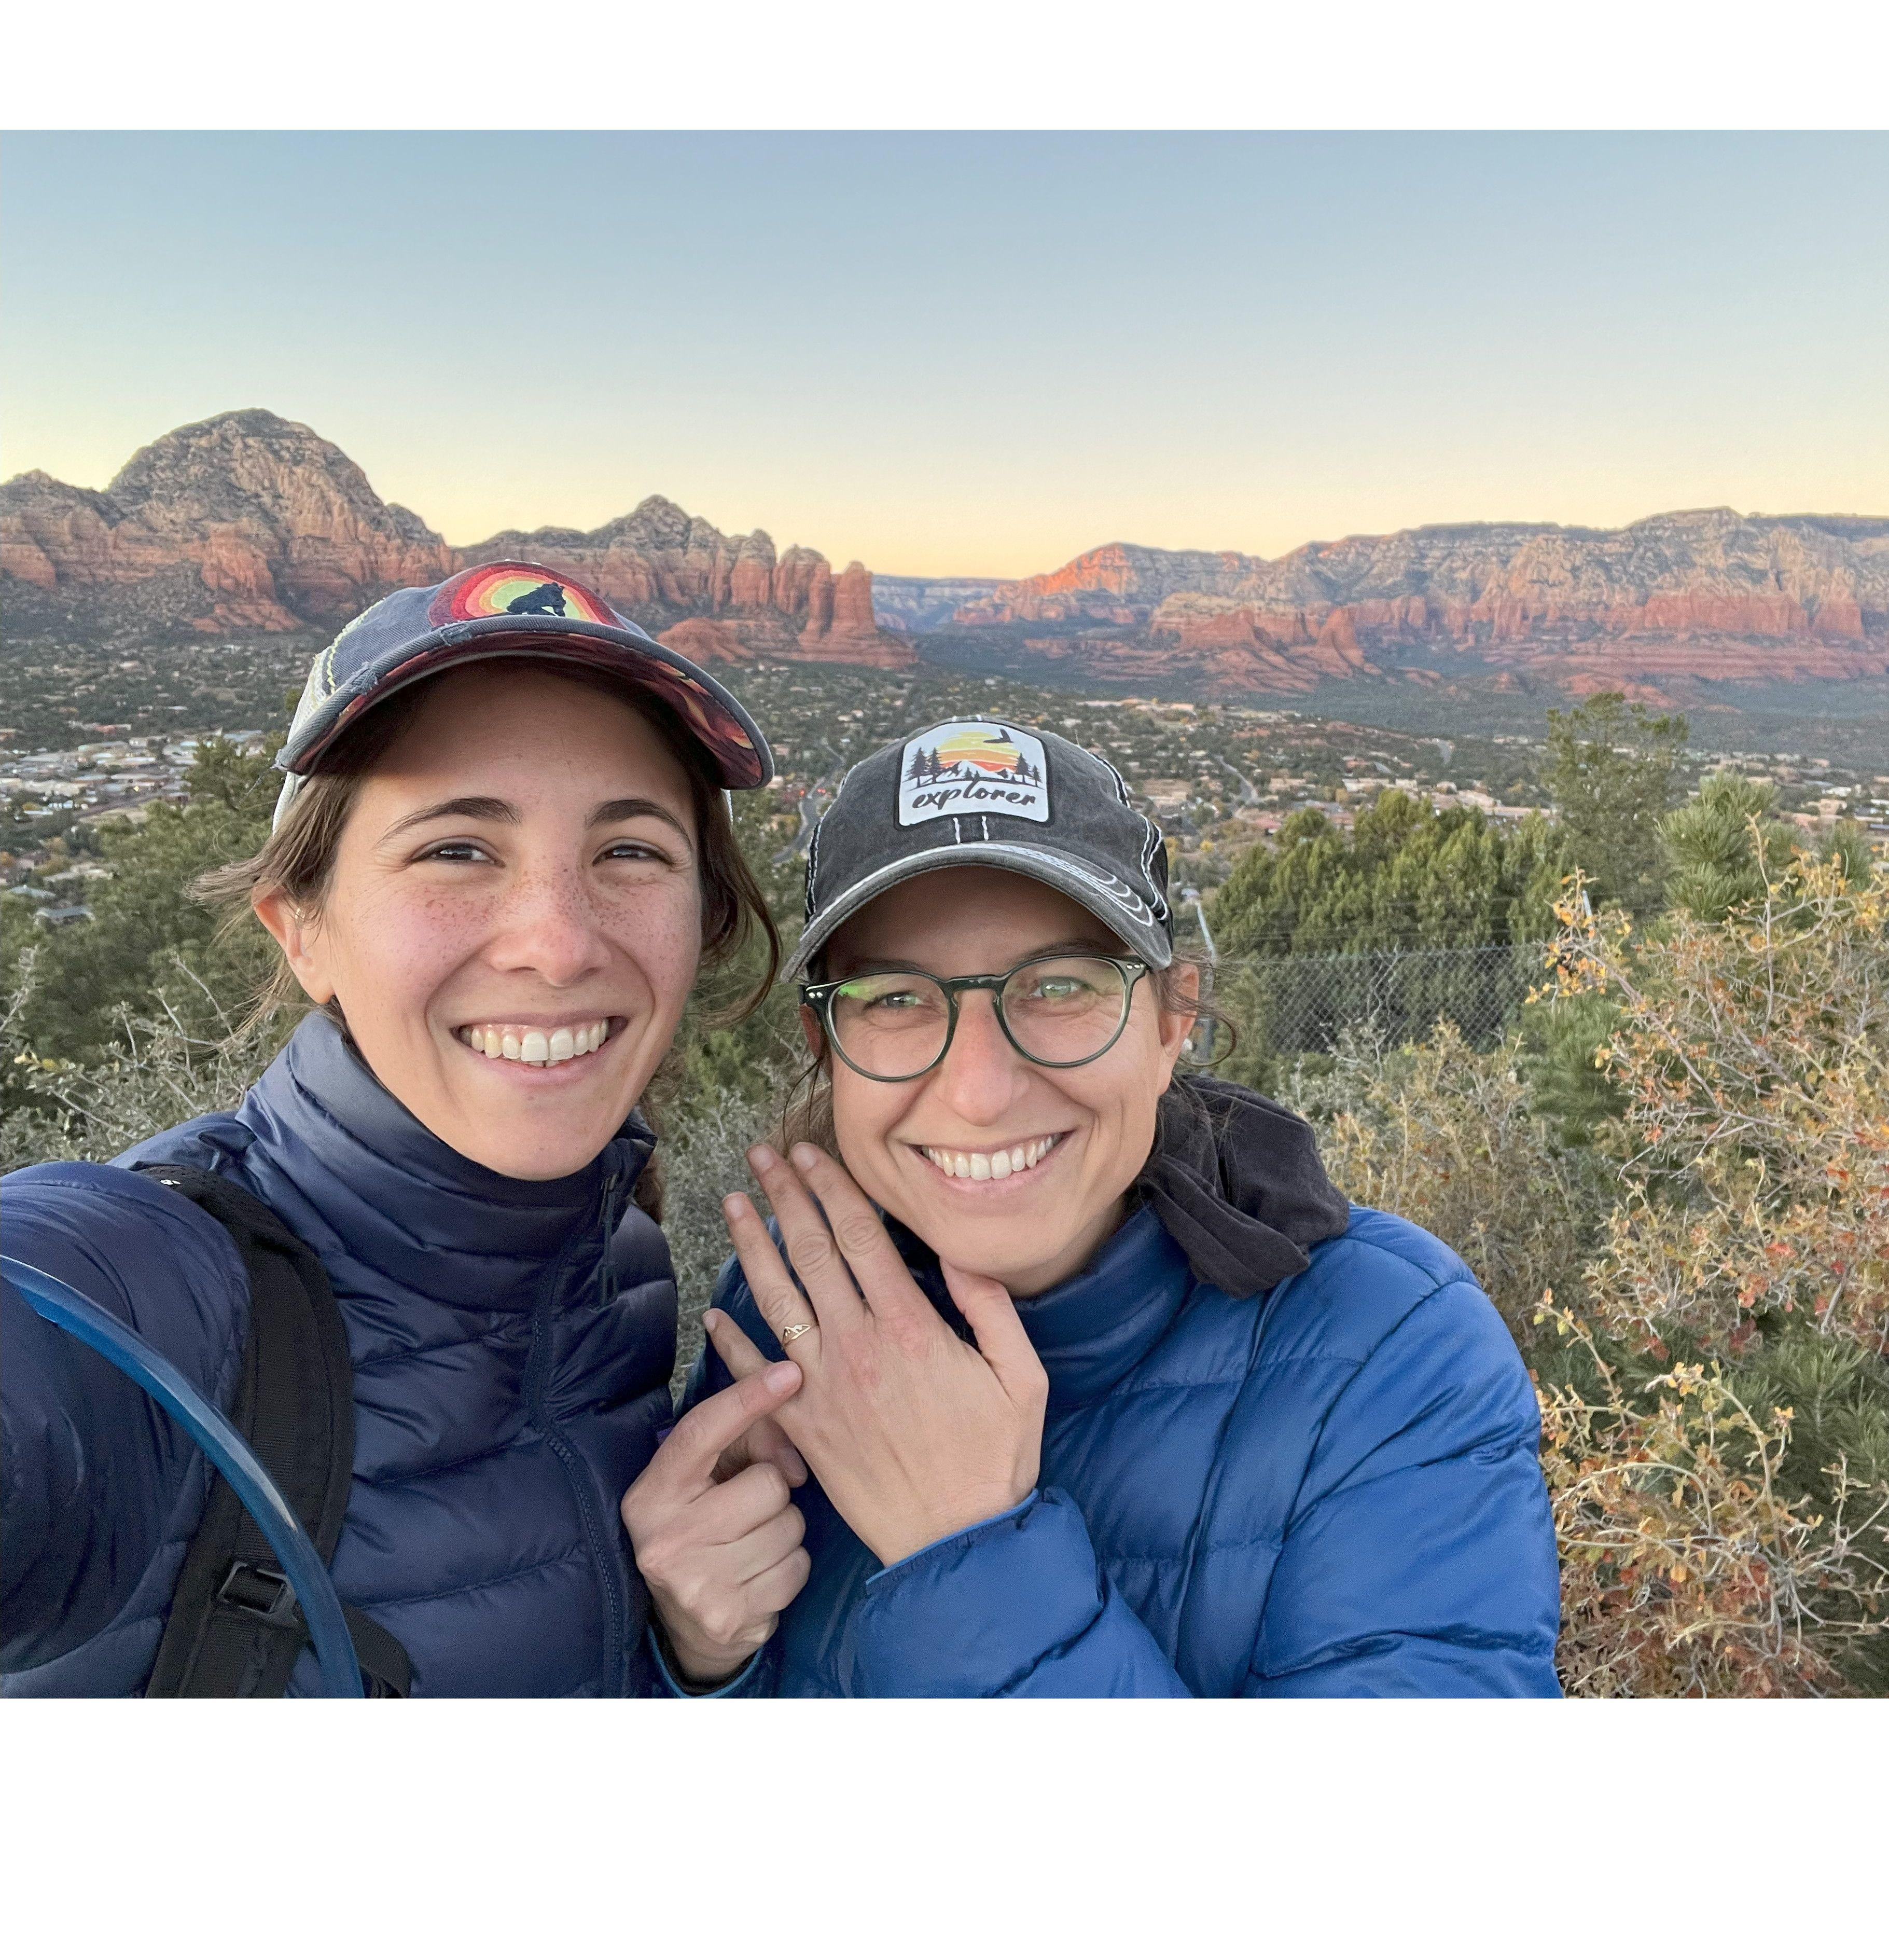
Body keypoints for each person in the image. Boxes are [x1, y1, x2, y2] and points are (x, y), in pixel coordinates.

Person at [1, 565, 809, 1696]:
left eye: (631, 851)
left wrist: (690, 1654)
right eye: (456, 849)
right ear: (303, 931)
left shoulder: (620, 1267)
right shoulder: (153, 1282)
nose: (559, 943)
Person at [629, 717, 1562, 1695]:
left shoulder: (1391, 1352)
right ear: (827, 1048)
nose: (980, 1090)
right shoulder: (792, 1301)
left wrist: (969, 1549)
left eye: (1060, 985)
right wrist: (701, 1658)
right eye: (897, 999)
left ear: (1172, 1021)